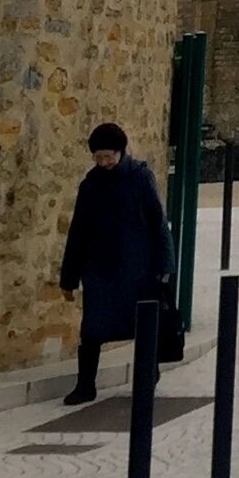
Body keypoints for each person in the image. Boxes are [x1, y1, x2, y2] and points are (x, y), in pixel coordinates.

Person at [57, 120, 172, 405]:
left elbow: (158, 223)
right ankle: (86, 385)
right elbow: (78, 232)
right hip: (100, 271)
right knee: (92, 329)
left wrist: (165, 266)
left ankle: (148, 375)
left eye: (108, 157)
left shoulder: (141, 178)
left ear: (120, 153)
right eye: (98, 158)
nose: (104, 163)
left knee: (144, 327)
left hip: (138, 269)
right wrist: (69, 277)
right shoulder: (90, 186)